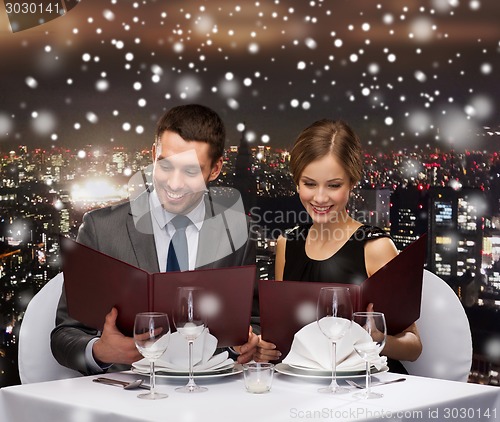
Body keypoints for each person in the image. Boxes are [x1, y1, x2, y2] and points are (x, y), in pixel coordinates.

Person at [51, 104, 259, 375]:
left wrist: (248, 344)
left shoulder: (237, 230)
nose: (174, 183)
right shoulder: (101, 229)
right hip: (127, 399)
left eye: (191, 171)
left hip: (208, 396)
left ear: (216, 169)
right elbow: (64, 335)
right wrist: (99, 351)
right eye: (165, 165)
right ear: (153, 155)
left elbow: (253, 322)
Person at [255, 119, 422, 372]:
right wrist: (267, 347)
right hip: (301, 389)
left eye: (334, 185)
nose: (320, 198)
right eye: (309, 184)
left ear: (352, 183)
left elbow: (414, 346)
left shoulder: (375, 247)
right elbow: (286, 337)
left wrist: (377, 339)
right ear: (297, 182)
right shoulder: (286, 244)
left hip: (363, 390)